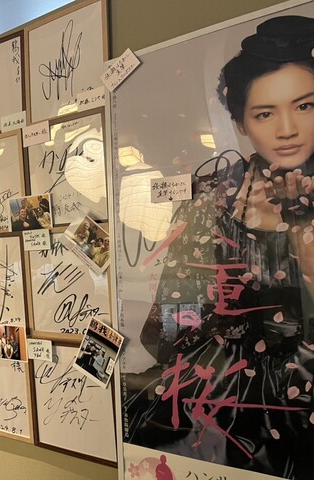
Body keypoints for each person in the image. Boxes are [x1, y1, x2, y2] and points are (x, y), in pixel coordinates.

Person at [126, 15, 314, 479]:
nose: (287, 129)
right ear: (241, 123)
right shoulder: (215, 196)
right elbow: (171, 316)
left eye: (306, 106)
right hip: (213, 396)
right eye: (265, 113)